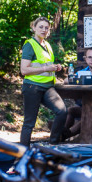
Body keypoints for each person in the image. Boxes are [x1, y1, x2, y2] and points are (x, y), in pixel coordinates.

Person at [19, 16, 68, 145]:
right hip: (32, 87)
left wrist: (56, 67)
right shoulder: (29, 45)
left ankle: (53, 144)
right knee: (29, 123)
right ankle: (23, 153)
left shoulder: (47, 45)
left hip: (47, 87)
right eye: (40, 27)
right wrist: (47, 67)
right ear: (34, 28)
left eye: (46, 28)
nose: (44, 30)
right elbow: (24, 70)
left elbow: (46, 66)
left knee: (62, 111)